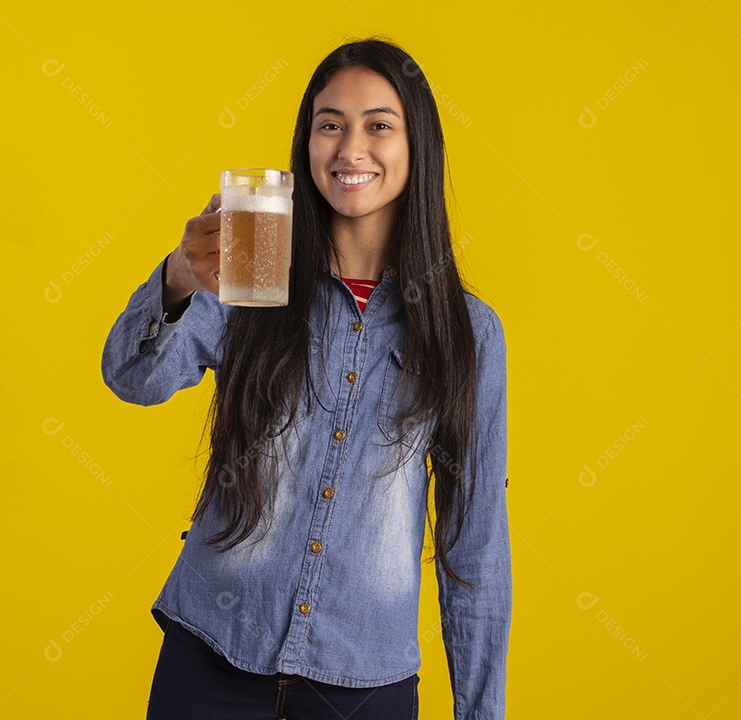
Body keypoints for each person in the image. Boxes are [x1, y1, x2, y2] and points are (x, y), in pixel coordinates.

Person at [101, 37, 512, 720]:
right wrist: (175, 280)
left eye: (379, 125)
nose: (351, 148)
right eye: (330, 124)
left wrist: (480, 712)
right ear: (307, 143)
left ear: (417, 147)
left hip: (364, 684)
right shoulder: (250, 271)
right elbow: (132, 378)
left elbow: (475, 544)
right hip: (211, 663)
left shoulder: (468, 332)